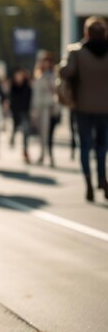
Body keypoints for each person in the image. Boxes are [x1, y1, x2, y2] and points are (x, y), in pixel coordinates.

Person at [60, 16, 108, 202]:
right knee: (102, 147)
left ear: (86, 33)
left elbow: (65, 72)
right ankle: (102, 178)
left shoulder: (77, 52)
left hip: (83, 106)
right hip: (106, 108)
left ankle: (88, 182)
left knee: (85, 146)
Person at [30, 51, 60, 167]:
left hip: (51, 107)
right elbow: (35, 94)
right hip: (40, 108)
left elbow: (56, 90)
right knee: (42, 133)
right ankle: (42, 155)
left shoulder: (53, 75)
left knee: (50, 134)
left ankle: (50, 156)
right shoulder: (38, 75)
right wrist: (34, 108)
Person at [8, 68, 32, 163]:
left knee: (25, 132)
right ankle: (12, 139)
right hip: (15, 112)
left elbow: (30, 98)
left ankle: (25, 150)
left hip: (25, 111)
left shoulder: (27, 86)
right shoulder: (13, 86)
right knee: (15, 127)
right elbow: (10, 99)